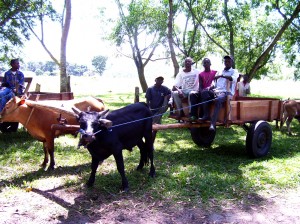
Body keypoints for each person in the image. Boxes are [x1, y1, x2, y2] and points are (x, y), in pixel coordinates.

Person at [199, 55, 239, 131]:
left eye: (228, 61)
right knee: (204, 93)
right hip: (217, 91)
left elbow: (232, 79)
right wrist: (210, 87)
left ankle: (213, 124)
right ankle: (206, 115)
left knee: (218, 99)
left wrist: (222, 76)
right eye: (225, 61)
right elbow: (214, 82)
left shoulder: (234, 71)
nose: (227, 63)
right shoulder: (219, 71)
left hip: (227, 92)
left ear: (231, 62)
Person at [0, 58, 25, 132]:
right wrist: (3, 87)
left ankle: (8, 113)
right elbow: (4, 83)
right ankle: (1, 112)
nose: (18, 65)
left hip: (17, 90)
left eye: (18, 63)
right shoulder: (7, 73)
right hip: (8, 89)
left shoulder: (20, 74)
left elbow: (21, 84)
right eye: (17, 63)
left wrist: (16, 88)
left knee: (11, 96)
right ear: (12, 64)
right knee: (1, 95)